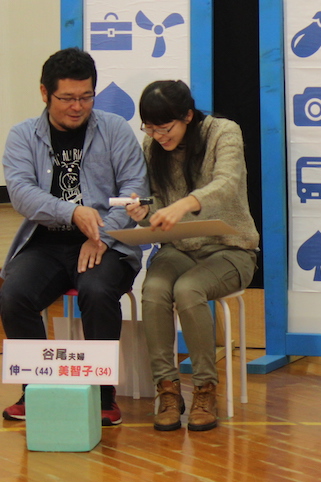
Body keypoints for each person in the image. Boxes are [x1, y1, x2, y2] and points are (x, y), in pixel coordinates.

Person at [0, 48, 147, 425]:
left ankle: (103, 395)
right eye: (67, 98)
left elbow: (134, 189)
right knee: (13, 295)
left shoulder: (115, 130)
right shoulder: (22, 136)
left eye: (86, 96)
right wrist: (72, 212)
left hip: (106, 244)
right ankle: (36, 390)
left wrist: (101, 234)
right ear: (44, 93)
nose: (77, 107)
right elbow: (21, 193)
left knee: (97, 291)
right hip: (45, 243)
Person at [124, 80, 259, 432]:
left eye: (164, 127)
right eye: (149, 128)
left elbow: (226, 184)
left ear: (187, 115)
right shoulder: (152, 146)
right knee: (153, 291)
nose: (157, 136)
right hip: (179, 247)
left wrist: (184, 204)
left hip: (231, 249)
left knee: (188, 290)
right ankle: (167, 388)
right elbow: (156, 202)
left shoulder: (223, 132)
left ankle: (204, 388)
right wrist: (144, 210)